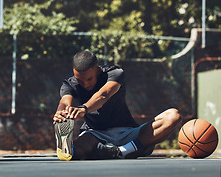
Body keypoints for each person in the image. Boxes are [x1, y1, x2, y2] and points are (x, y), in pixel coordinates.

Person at [53, 50, 182, 161]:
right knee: (79, 147)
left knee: (173, 116)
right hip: (96, 134)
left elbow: (103, 94)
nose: (85, 84)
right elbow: (64, 102)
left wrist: (84, 108)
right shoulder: (70, 84)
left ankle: (122, 151)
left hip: (128, 132)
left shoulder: (114, 73)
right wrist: (61, 114)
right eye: (80, 80)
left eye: (89, 79)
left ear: (98, 71)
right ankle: (101, 150)